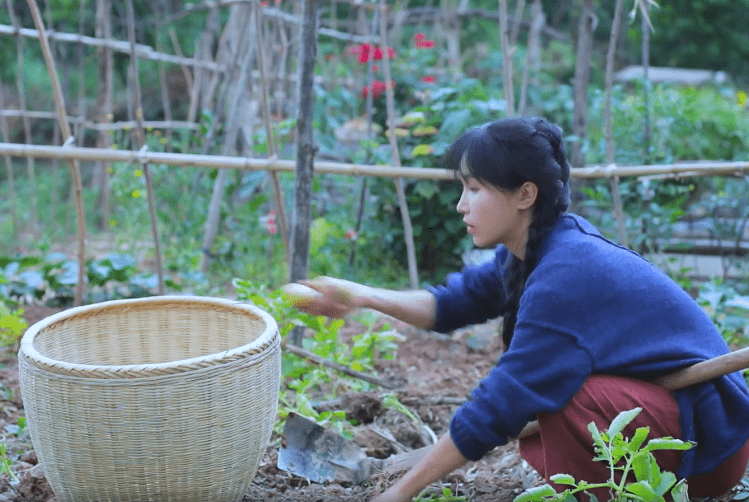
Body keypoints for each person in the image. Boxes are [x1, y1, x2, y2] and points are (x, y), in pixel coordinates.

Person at [286, 117, 749, 502]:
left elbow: (503, 402)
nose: (461, 205)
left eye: (474, 189)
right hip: (676, 420)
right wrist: (361, 296)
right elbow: (451, 304)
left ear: (525, 195)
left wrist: (398, 493)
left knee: (564, 396)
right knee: (555, 393)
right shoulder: (535, 249)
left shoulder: (566, 273)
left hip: (706, 448)